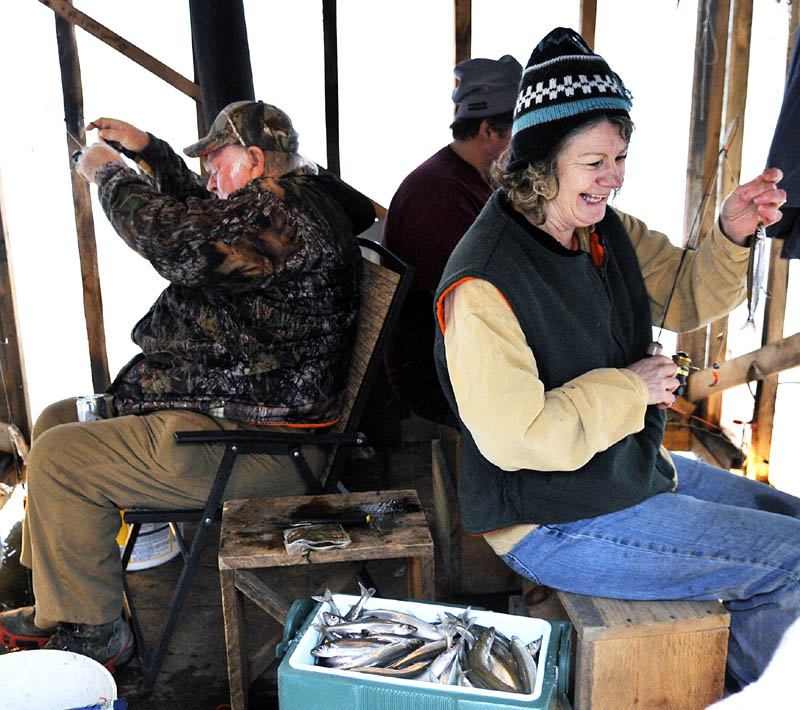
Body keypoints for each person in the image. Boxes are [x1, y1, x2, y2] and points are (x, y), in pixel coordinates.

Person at [433, 27, 798, 690]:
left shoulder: (602, 229)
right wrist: (631, 389)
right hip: (549, 520)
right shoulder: (483, 283)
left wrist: (730, 232)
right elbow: (516, 437)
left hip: (617, 471)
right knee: (793, 562)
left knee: (794, 523)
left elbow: (685, 294)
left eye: (621, 157)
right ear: (542, 163)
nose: (615, 177)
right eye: (595, 162)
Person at [0, 100, 375, 669]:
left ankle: (96, 634)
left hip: (264, 444)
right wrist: (149, 151)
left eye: (216, 161)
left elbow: (178, 240)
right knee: (56, 420)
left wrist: (109, 171)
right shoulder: (277, 207)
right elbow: (202, 214)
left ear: (253, 159)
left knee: (58, 457)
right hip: (235, 413)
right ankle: (59, 603)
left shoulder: (284, 220)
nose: (208, 177)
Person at [382, 54, 521, 425]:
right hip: (435, 377)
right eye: (519, 134)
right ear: (488, 130)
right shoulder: (439, 197)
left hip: (456, 359)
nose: (526, 151)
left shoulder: (469, 181)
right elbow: (476, 307)